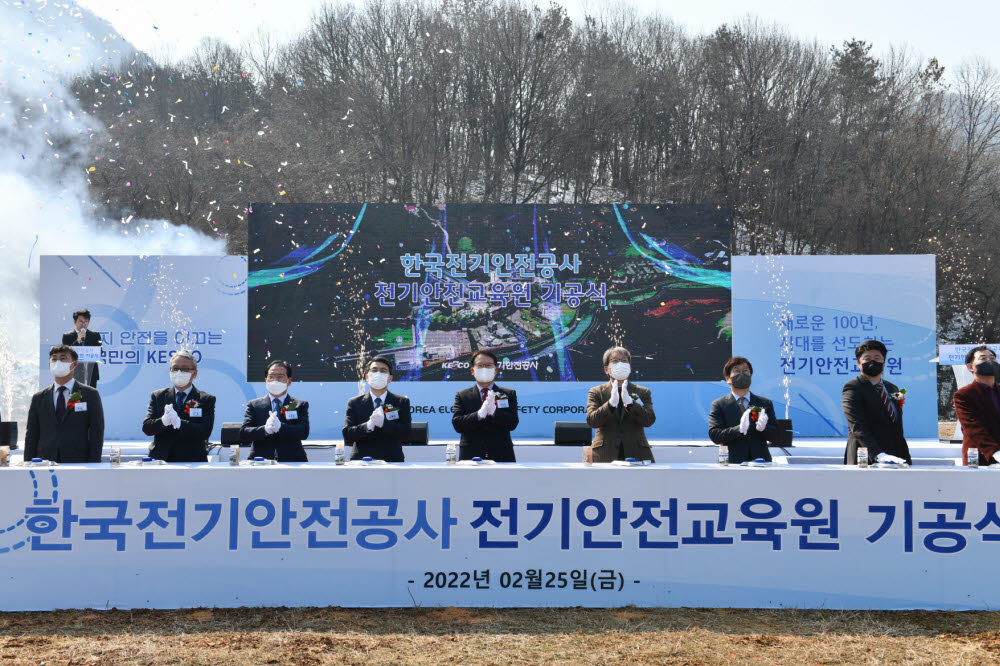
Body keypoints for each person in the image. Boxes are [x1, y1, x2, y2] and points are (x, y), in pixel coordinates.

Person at [25, 345, 104, 462]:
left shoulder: (90, 394)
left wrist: (94, 463)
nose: (58, 362)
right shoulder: (39, 398)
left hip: (78, 462)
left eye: (63, 359)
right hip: (45, 462)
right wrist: (27, 464)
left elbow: (97, 433)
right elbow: (31, 435)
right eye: (54, 359)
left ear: (74, 364)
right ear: (49, 364)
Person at [842, 339, 912, 465]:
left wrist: (905, 457)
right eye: (867, 358)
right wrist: (879, 455)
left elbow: (897, 427)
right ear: (859, 363)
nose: (872, 362)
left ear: (884, 363)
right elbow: (857, 426)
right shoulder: (853, 388)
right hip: (866, 458)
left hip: (895, 457)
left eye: (877, 357)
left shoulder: (892, 388)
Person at [142, 350, 216, 463]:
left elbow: (205, 432)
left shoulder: (205, 399)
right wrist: (162, 421)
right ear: (170, 370)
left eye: (185, 369)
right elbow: (147, 428)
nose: (179, 372)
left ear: (194, 373)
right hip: (161, 459)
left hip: (192, 460)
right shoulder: (158, 396)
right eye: (175, 368)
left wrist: (180, 423)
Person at [586, 346, 656, 462]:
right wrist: (610, 405)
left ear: (629, 367)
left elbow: (649, 420)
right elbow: (592, 421)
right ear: (606, 369)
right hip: (604, 455)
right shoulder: (596, 392)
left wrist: (631, 404)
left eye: (624, 361)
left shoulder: (643, 392)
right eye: (614, 361)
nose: (620, 364)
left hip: (637, 454)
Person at [707, 356, 779, 463]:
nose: (742, 374)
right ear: (728, 378)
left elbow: (776, 435)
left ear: (750, 376)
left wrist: (764, 429)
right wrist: (739, 429)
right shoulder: (719, 404)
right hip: (730, 463)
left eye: (746, 371)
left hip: (761, 462)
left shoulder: (764, 403)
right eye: (736, 371)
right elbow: (715, 435)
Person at [451, 349, 518, 461]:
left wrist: (494, 412)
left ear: (495, 370)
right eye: (480, 366)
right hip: (470, 455)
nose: (484, 369)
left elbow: (512, 423)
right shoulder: (462, 395)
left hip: (502, 455)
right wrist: (478, 415)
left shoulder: (507, 394)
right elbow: (458, 424)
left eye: (488, 365)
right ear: (472, 370)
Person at [343, 356, 412, 461]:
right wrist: (368, 425)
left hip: (392, 460)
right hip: (361, 461)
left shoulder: (401, 402)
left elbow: (405, 435)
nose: (378, 374)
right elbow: (348, 436)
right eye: (374, 370)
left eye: (383, 371)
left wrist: (384, 424)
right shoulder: (355, 403)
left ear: (390, 378)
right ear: (367, 377)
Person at [241, 360, 310, 462]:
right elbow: (244, 433)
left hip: (293, 461)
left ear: (289, 381)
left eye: (280, 377)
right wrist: (264, 430)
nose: (275, 380)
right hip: (260, 461)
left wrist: (282, 427)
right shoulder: (254, 405)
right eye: (271, 376)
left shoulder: (299, 405)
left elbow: (303, 432)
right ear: (265, 380)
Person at [953, 345, 1000, 466]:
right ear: (970, 367)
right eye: (983, 358)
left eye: (992, 358)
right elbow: (973, 427)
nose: (989, 361)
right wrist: (995, 453)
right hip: (979, 458)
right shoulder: (963, 395)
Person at [62, 308, 102, 389]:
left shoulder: (95, 335)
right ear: (74, 322)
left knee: (91, 398)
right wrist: (78, 340)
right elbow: (67, 354)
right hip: (74, 373)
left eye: (86, 322)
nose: (83, 324)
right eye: (80, 321)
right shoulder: (67, 336)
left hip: (91, 373)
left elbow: (99, 352)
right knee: (75, 398)